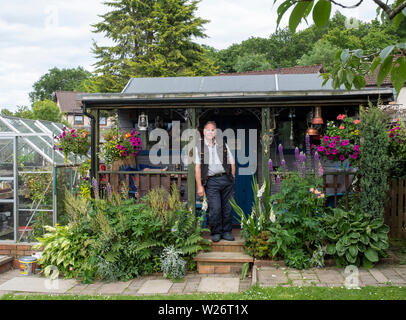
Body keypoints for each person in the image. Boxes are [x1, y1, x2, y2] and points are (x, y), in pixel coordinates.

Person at [194, 121, 236, 242]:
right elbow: (197, 168)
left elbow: (231, 161)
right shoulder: (199, 147)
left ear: (215, 132)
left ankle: (227, 232)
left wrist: (232, 177)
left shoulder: (222, 144)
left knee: (228, 207)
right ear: (204, 132)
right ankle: (216, 232)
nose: (210, 132)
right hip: (211, 181)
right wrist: (199, 186)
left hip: (226, 179)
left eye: (213, 130)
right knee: (215, 208)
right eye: (208, 130)